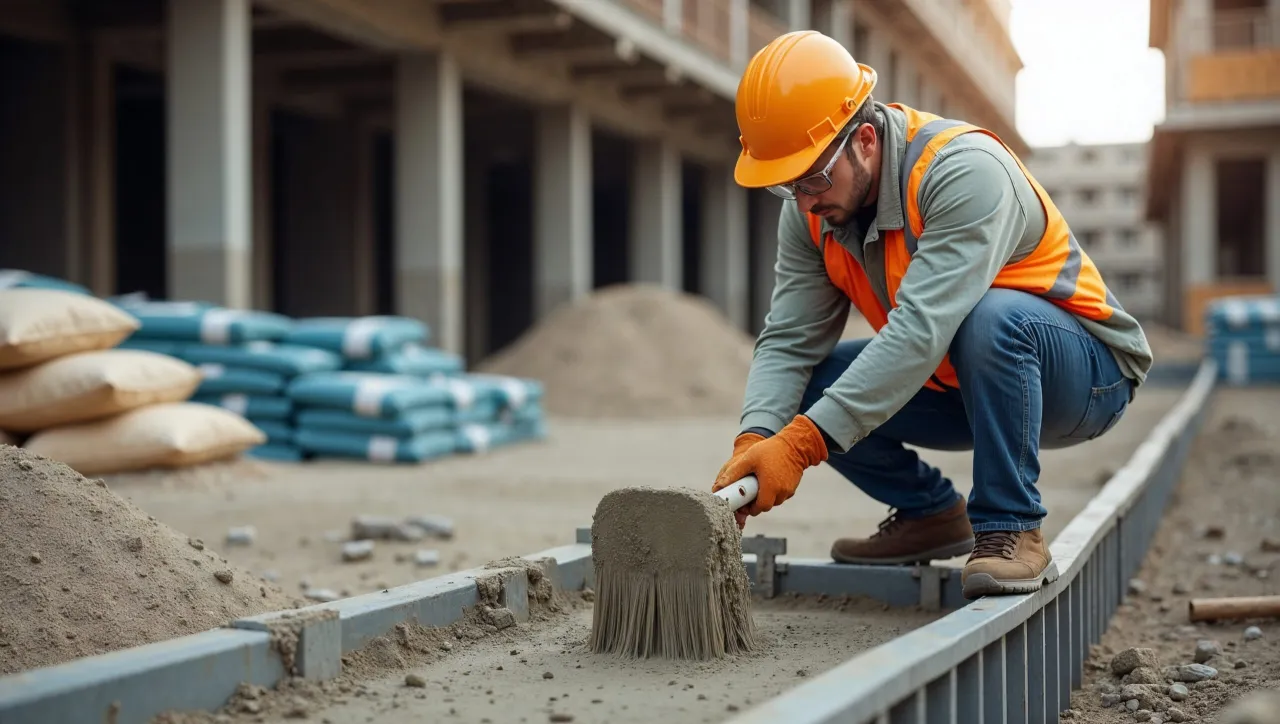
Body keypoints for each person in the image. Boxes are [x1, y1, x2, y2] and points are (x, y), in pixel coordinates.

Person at [710, 30, 1153, 599]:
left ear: (865, 140)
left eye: (813, 178)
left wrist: (800, 447)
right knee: (810, 385)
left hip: (1085, 377)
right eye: (786, 185)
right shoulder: (811, 213)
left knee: (991, 316)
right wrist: (757, 437)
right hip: (963, 380)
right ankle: (932, 514)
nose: (804, 201)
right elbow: (789, 341)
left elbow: (920, 331)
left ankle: (1011, 528)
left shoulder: (962, 171)